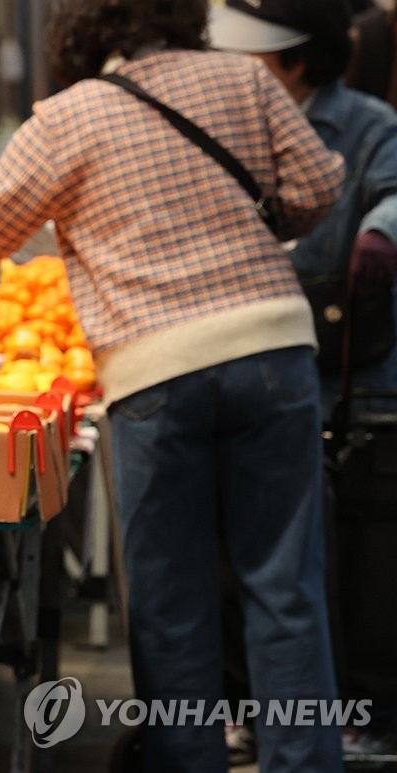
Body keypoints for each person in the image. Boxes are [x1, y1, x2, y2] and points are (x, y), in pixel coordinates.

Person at [0, 0, 345, 769]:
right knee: (285, 588)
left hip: (157, 368)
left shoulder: (71, 114)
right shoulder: (247, 80)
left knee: (172, 605)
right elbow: (320, 184)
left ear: (78, 31)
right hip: (274, 347)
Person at [209, 0, 397, 760]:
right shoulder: (234, 119)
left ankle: (342, 713)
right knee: (244, 549)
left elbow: (394, 187)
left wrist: (383, 229)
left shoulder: (368, 124)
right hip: (246, 354)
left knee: (318, 558)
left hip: (343, 365)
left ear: (293, 61)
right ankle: (243, 705)